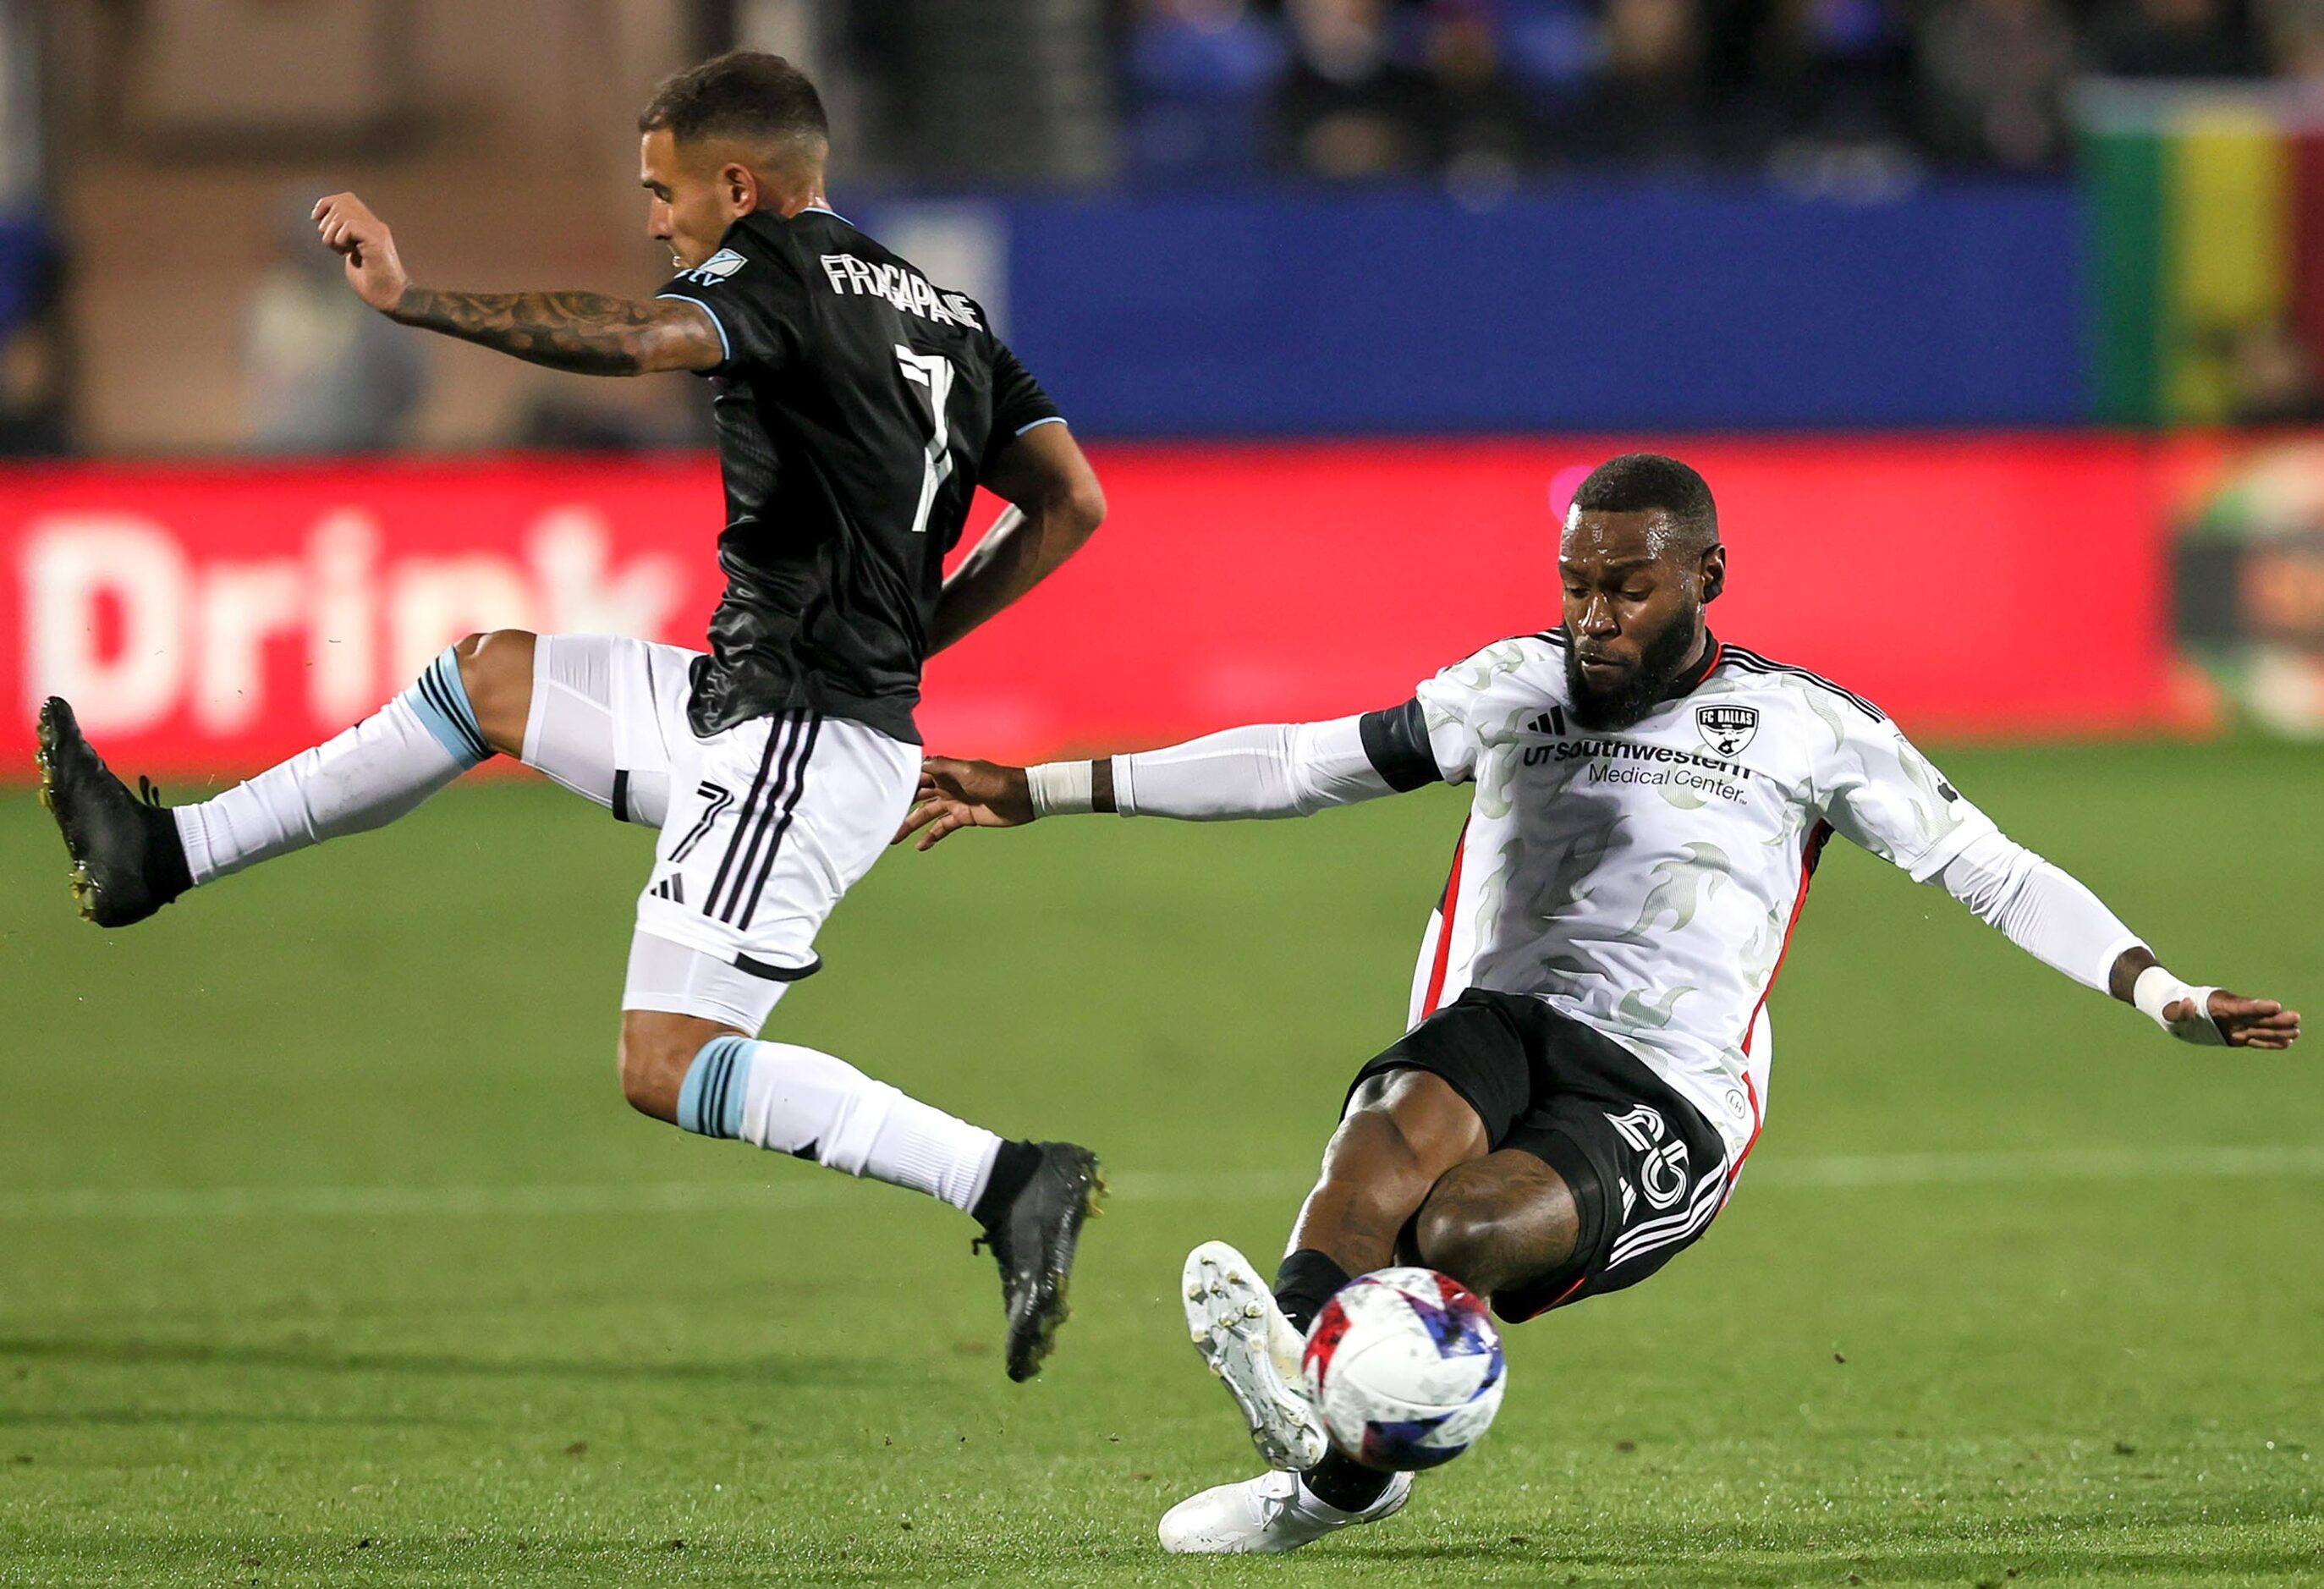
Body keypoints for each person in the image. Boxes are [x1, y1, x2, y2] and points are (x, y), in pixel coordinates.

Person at [897, 452, 2301, 1549]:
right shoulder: (1511, 690)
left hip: (1670, 1087)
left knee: (1458, 1231)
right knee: (1382, 1144)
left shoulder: (1809, 728)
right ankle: (1315, 1417)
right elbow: (1303, 761)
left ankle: (1343, 1463)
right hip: (1501, 1017)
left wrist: (2159, 988)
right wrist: (1047, 784)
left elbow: (1989, 869)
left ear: (1706, 578)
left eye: (1625, 587)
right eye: (1576, 583)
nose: (1592, 615)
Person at [35, 52, 1108, 1383]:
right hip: (751, 705)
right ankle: (163, 857)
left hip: (794, 738)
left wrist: (414, 300)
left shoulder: (768, 268)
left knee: (668, 1060)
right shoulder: (948, 315)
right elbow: (1072, 501)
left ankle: (1006, 1179)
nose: (656, 223)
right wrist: (916, 634)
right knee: (487, 676)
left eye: (665, 194)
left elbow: (641, 335)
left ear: (739, 183)